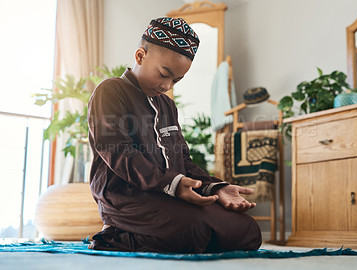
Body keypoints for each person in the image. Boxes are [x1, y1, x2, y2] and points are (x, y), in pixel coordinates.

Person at [88, 17, 261, 253]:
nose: (167, 85)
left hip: (168, 194)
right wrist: (171, 184)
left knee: (246, 230)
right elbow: (118, 152)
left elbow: (183, 161)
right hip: (125, 198)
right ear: (140, 56)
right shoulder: (110, 91)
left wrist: (215, 188)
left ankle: (151, 233)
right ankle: (112, 238)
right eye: (164, 74)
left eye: (176, 80)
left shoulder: (167, 106)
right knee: (194, 232)